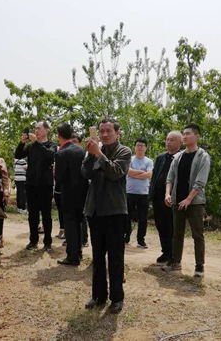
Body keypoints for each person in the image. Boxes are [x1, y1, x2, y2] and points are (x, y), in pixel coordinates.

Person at [82, 118, 132, 314]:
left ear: (117, 133)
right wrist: (90, 155)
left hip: (115, 212)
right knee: (97, 256)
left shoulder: (124, 151)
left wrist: (99, 154)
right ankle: (98, 295)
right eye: (101, 131)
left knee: (116, 257)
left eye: (108, 131)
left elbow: (116, 172)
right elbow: (85, 173)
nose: (104, 134)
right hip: (94, 211)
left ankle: (117, 298)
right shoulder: (93, 153)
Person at [162, 124, 211, 278]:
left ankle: (199, 266)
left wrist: (189, 199)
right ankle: (176, 262)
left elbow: (200, 182)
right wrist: (167, 194)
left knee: (198, 234)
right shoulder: (178, 156)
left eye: (188, 134)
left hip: (195, 202)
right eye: (183, 134)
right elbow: (170, 178)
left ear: (197, 136)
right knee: (177, 233)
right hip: (177, 201)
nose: (184, 136)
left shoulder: (203, 156)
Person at [15, 121, 58, 251]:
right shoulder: (31, 146)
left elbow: (49, 156)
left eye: (39, 128)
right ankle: (33, 240)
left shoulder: (52, 145)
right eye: (35, 129)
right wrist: (22, 142)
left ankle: (47, 242)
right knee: (32, 214)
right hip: (31, 184)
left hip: (45, 185)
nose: (36, 131)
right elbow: (18, 155)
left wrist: (37, 143)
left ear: (47, 130)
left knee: (46, 214)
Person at [55, 123, 89, 266]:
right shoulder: (81, 150)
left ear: (59, 136)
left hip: (68, 194)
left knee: (70, 225)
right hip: (82, 193)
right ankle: (79, 252)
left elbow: (59, 177)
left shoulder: (61, 153)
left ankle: (72, 256)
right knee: (80, 223)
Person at [149, 131, 182, 264]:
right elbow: (155, 175)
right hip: (158, 198)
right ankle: (165, 252)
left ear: (180, 142)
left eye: (172, 140)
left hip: (173, 199)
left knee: (171, 227)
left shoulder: (182, 157)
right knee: (160, 225)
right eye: (167, 139)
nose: (168, 142)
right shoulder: (160, 157)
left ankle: (173, 255)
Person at [125, 138, 153, 248]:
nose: (140, 147)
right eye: (138, 145)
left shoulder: (149, 161)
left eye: (142, 145)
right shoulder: (130, 159)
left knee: (143, 218)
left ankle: (141, 240)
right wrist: (142, 172)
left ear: (146, 148)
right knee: (127, 217)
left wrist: (134, 174)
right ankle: (126, 236)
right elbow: (128, 171)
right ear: (134, 147)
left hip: (143, 193)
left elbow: (149, 174)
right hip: (130, 192)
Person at [71, 133, 89, 248]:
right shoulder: (67, 154)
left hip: (82, 188)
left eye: (75, 141)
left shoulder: (84, 154)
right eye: (71, 141)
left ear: (80, 143)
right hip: (70, 189)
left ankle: (84, 239)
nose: (73, 144)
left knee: (82, 215)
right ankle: (72, 239)